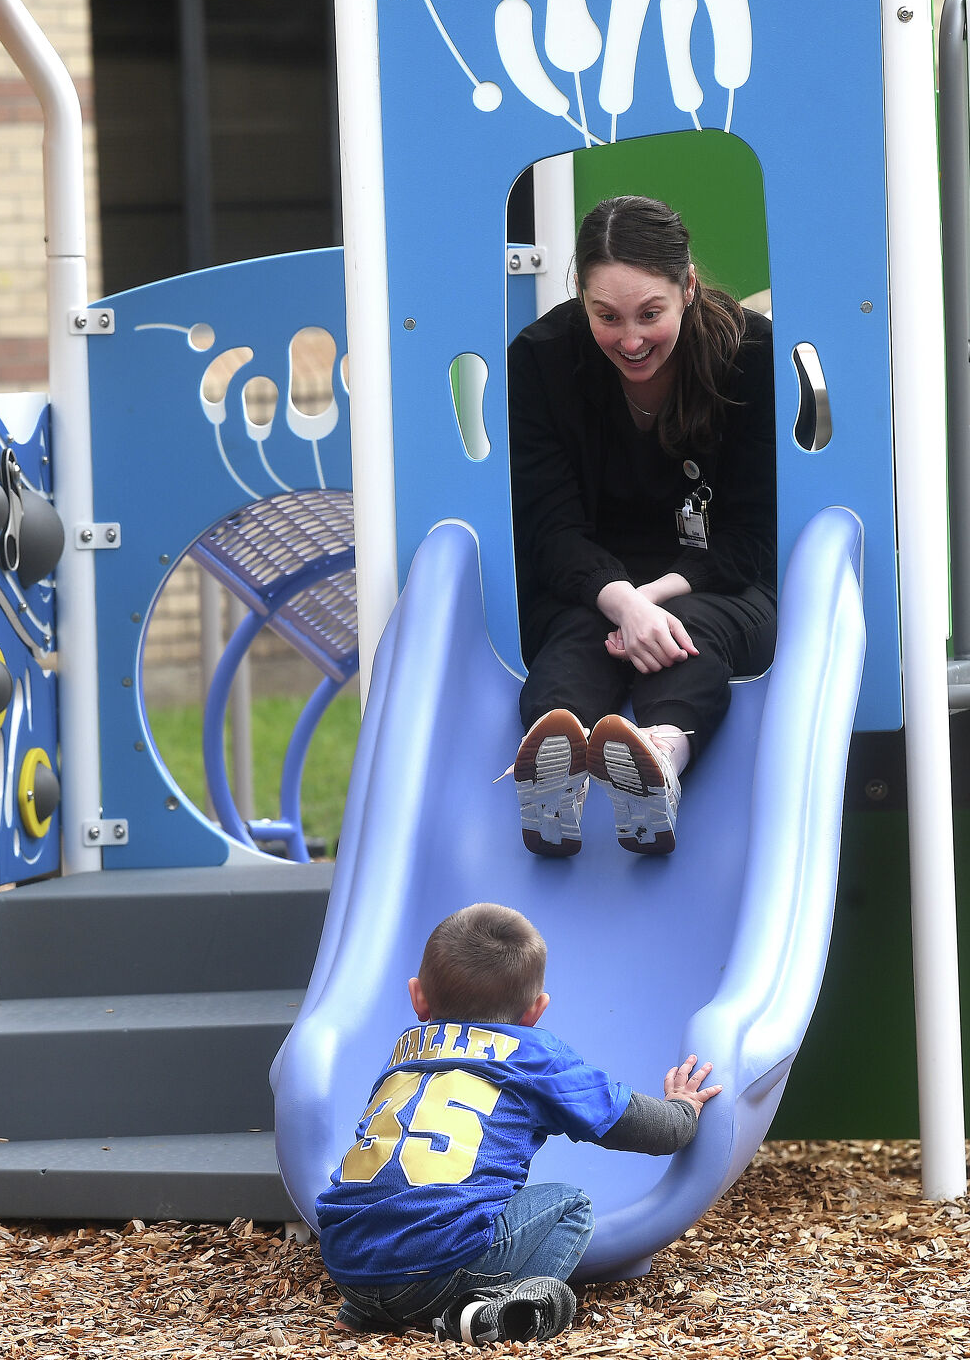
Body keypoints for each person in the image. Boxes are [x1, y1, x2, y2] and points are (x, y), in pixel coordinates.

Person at [314, 903, 721, 1345]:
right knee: (571, 1205)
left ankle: (366, 1311)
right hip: (439, 1269)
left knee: (406, 1204)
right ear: (536, 1011)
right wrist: (682, 1109)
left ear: (418, 997)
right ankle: (481, 1308)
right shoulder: (536, 1059)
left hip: (345, 1262)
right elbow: (652, 1131)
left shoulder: (405, 1051)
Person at [507, 194, 777, 857]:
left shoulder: (747, 354)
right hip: (588, 585)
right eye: (607, 316)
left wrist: (650, 603)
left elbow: (747, 540)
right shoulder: (542, 363)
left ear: (687, 287)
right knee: (574, 636)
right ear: (580, 295)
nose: (630, 339)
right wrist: (621, 600)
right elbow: (550, 528)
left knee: (694, 635)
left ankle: (658, 760)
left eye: (650, 314)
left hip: (712, 579)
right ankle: (554, 756)